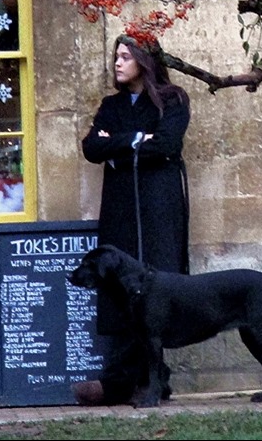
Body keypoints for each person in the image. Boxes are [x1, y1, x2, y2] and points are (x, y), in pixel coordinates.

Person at [73, 35, 190, 406]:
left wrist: (119, 145)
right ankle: (132, 379)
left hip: (159, 203)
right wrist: (138, 139)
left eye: (126, 57)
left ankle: (144, 379)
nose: (118, 63)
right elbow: (92, 148)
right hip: (121, 204)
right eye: (116, 56)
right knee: (120, 286)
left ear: (144, 60)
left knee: (155, 286)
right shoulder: (112, 105)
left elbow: (167, 145)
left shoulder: (173, 100)